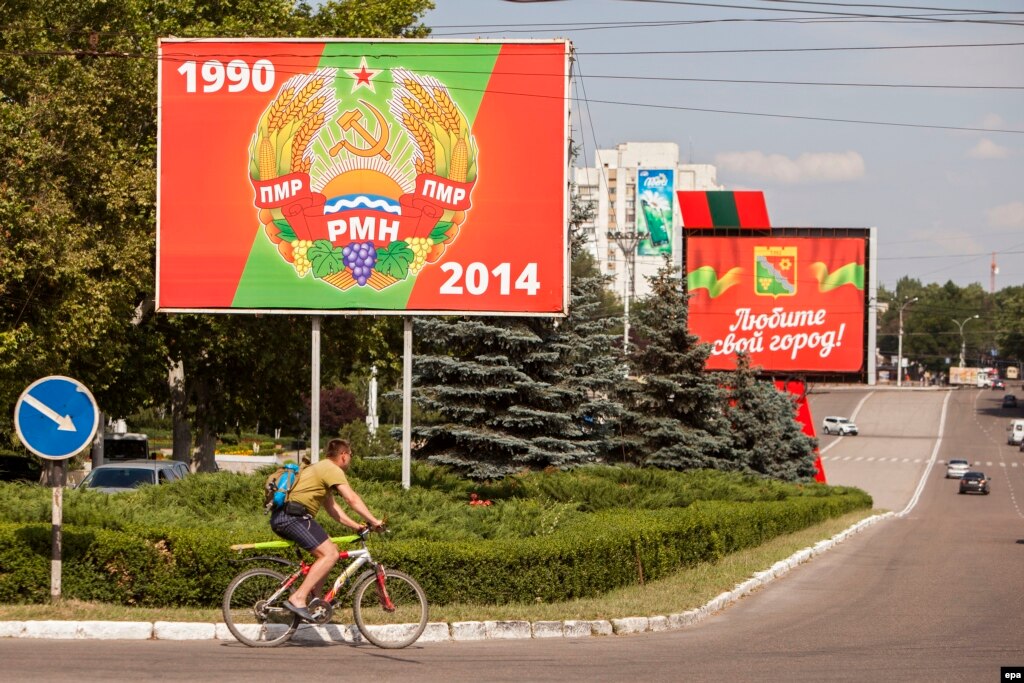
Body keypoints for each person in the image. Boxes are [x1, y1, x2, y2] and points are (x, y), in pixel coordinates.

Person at [269, 438, 383, 622]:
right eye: (351, 455)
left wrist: (357, 526)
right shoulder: (332, 469)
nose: (351, 459)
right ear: (343, 455)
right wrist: (374, 521)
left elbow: (333, 509)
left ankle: (315, 599)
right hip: (293, 517)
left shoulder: (320, 468)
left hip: (287, 516)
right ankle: (298, 597)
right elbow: (351, 499)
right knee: (330, 554)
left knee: (331, 550)